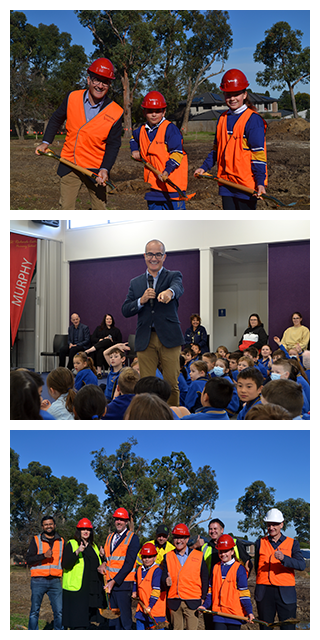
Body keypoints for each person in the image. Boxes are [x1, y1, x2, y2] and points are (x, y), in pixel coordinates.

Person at [35, 58, 123, 210]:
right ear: (88, 80)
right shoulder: (72, 97)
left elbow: (114, 144)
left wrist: (105, 169)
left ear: (109, 85)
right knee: (66, 208)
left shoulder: (115, 112)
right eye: (97, 80)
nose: (100, 86)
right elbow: (56, 119)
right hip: (70, 163)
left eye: (105, 82)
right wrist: (45, 142)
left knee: (100, 210)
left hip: (96, 169)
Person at [122, 240, 184, 405]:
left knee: (171, 383)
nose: (154, 258)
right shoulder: (135, 283)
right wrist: (140, 300)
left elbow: (177, 288)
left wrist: (169, 293)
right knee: (147, 385)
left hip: (169, 338)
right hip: (145, 339)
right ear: (144, 256)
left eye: (158, 254)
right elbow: (125, 310)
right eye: (150, 254)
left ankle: (171, 418)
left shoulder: (173, 276)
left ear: (164, 256)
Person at [194, 69, 267, 210]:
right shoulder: (222, 119)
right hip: (226, 184)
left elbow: (258, 155)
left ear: (245, 94)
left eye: (236, 94)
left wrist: (260, 182)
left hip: (246, 185)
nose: (232, 98)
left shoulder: (253, 120)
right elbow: (216, 150)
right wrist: (204, 167)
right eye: (228, 94)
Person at [130, 91, 188, 210]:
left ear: (164, 112)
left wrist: (167, 171)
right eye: (150, 111)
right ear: (144, 112)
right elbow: (132, 139)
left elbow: (177, 154)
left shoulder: (171, 130)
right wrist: (134, 150)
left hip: (172, 186)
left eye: (158, 111)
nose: (154, 114)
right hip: (153, 187)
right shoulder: (140, 130)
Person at [255, 508, 306, 630]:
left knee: (288, 628)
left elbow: (301, 565)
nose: (271, 527)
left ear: (282, 524)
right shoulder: (259, 543)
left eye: (275, 524)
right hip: (264, 592)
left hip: (286, 593)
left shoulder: (293, 543)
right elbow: (257, 565)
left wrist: (284, 558)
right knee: (265, 629)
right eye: (269, 524)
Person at [98, 508, 140, 630]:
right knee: (113, 620)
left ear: (127, 521)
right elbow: (109, 558)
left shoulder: (133, 538)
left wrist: (114, 581)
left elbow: (129, 563)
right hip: (110, 585)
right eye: (117, 519)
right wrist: (103, 563)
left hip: (123, 585)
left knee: (125, 621)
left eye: (122, 519)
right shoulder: (109, 537)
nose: (119, 522)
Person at [200, 534, 254, 629]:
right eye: (221, 551)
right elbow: (210, 591)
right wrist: (205, 606)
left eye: (226, 551)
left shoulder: (239, 569)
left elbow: (244, 593)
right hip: (218, 615)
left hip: (234, 615)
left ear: (232, 551)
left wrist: (249, 611)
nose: (223, 554)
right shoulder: (215, 567)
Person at [161, 523, 208, 630]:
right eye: (176, 538)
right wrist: (165, 580)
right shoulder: (167, 556)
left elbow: (204, 578)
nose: (178, 541)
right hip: (174, 601)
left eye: (182, 538)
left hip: (193, 601)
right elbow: (163, 577)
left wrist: (203, 598)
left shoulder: (198, 555)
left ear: (187, 539)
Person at [62, 518, 105, 630]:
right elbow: (65, 564)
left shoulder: (94, 546)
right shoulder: (72, 543)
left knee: (88, 620)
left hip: (92, 589)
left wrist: (102, 557)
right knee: (78, 622)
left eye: (88, 529)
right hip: (78, 590)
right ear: (78, 531)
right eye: (83, 529)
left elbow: (97, 566)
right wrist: (77, 552)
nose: (85, 531)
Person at [26, 516, 64, 630]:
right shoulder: (36, 540)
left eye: (51, 524)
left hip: (55, 581)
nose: (49, 526)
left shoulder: (61, 541)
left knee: (59, 611)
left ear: (55, 525)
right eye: (46, 524)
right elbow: (28, 559)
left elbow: (65, 560)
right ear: (42, 527)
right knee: (34, 611)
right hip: (38, 580)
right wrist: (43, 556)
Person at [132, 543, 167, 630]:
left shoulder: (157, 571)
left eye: (150, 557)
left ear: (155, 557)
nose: (147, 559)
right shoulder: (139, 569)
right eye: (144, 557)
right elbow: (136, 581)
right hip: (141, 609)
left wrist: (150, 606)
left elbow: (156, 591)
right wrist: (134, 591)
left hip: (155, 611)